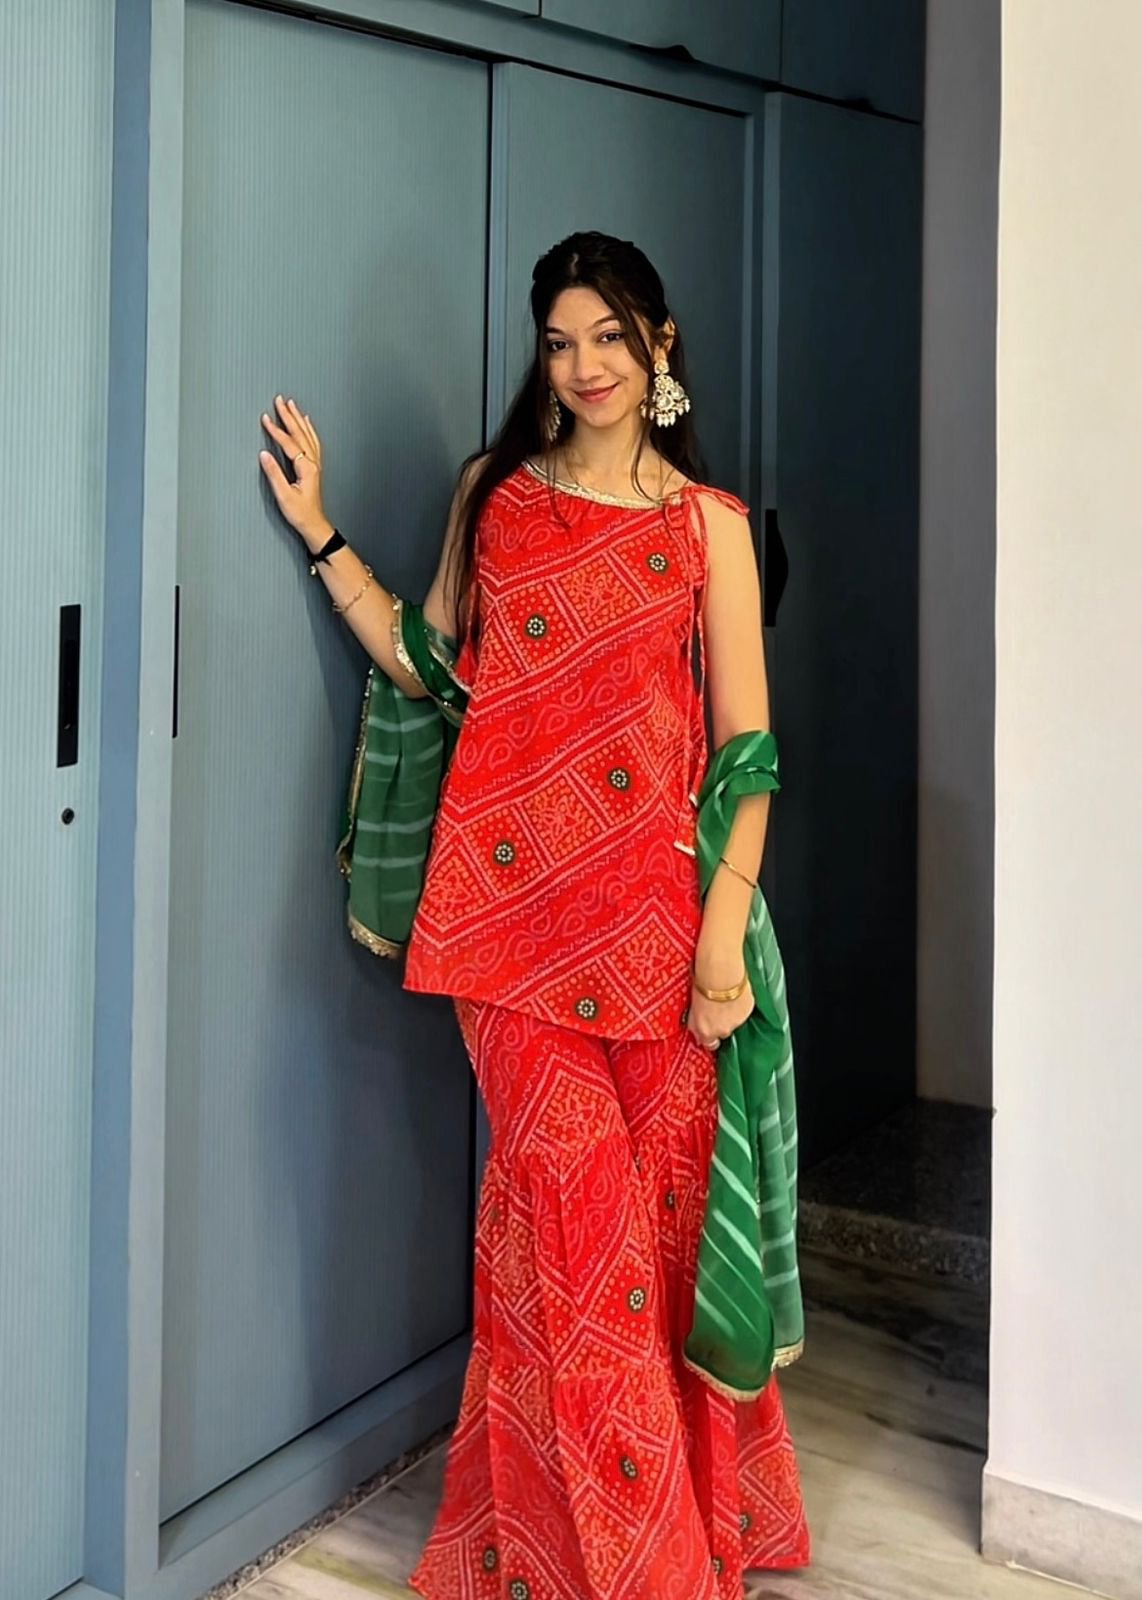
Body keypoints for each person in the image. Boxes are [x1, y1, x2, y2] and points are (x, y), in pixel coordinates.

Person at [258, 231, 810, 1600]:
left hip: (660, 938)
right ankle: (650, 1574)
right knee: (579, 1230)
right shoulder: (493, 495)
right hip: (504, 934)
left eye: (610, 337)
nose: (584, 367)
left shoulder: (709, 528)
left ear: (660, 345)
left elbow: (747, 755)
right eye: (560, 342)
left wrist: (721, 941)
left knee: (653, 1243)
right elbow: (433, 665)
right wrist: (322, 534)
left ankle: (575, 1539)